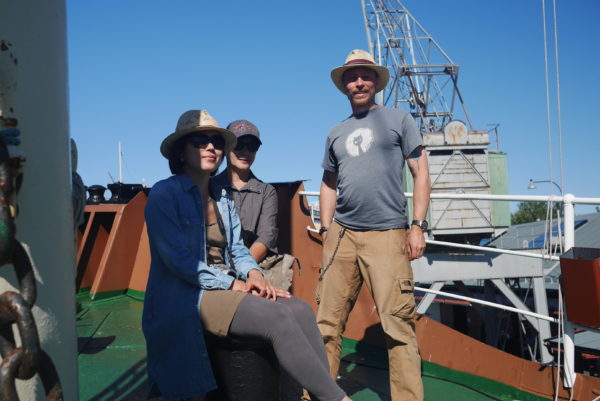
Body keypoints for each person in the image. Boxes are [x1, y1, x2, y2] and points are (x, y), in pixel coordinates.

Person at [143, 109, 354, 401]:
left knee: (299, 308)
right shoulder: (164, 195)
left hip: (222, 285)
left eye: (217, 142)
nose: (211, 147)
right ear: (180, 151)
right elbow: (178, 261)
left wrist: (255, 274)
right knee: (278, 318)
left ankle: (318, 395)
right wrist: (232, 283)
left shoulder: (221, 197)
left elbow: (237, 248)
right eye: (200, 141)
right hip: (187, 294)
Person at [317, 49, 431, 401]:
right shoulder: (336, 132)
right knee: (326, 325)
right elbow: (328, 183)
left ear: (376, 82)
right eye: (352, 78)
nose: (359, 82)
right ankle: (318, 394)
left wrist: (417, 225)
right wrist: (326, 228)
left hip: (387, 234)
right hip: (342, 236)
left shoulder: (399, 120)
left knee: (398, 325)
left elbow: (421, 171)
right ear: (344, 85)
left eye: (365, 76)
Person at [212, 119, 278, 264]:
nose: (245, 152)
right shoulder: (209, 187)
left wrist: (244, 267)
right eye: (238, 145)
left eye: (252, 146)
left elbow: (267, 235)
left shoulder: (267, 192)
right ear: (226, 148)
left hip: (253, 267)